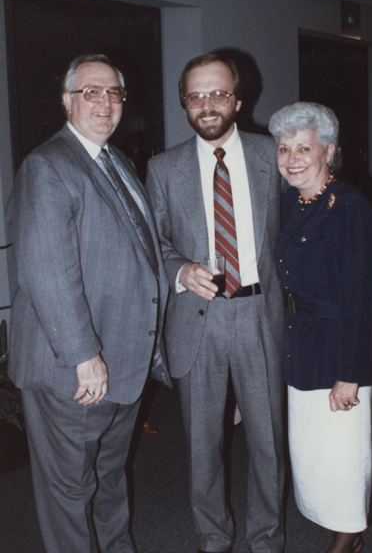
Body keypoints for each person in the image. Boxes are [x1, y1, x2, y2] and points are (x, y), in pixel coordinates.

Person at [6, 53, 171, 553]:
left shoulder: (116, 161)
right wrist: (84, 356)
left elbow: (139, 251)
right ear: (66, 101)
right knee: (70, 494)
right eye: (90, 92)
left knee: (109, 476)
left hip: (120, 362)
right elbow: (46, 270)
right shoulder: (48, 165)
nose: (105, 103)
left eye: (113, 93)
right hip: (74, 373)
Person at [146, 52, 285, 553]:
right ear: (184, 103)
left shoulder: (274, 155)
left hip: (261, 317)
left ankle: (267, 539)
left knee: (268, 442)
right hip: (196, 320)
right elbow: (152, 243)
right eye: (196, 96)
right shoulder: (162, 168)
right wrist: (179, 269)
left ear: (238, 100)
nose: (208, 105)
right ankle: (213, 539)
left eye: (218, 94)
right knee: (203, 447)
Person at [268, 102, 372, 553]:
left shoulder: (351, 208)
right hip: (301, 343)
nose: (292, 158)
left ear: (328, 151)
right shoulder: (290, 202)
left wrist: (350, 373)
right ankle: (342, 532)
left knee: (345, 455)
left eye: (304, 148)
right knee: (316, 454)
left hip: (338, 347)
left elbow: (360, 300)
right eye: (283, 148)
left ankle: (347, 539)